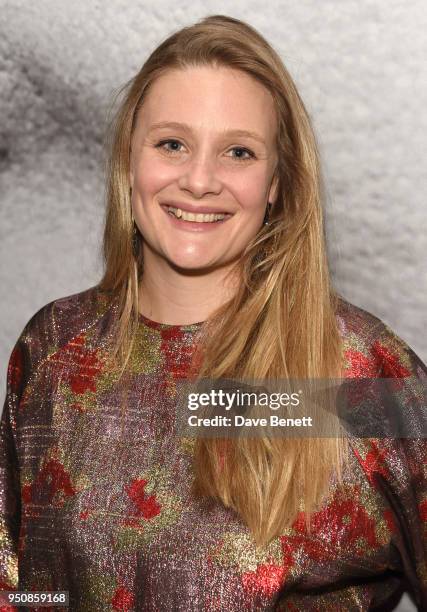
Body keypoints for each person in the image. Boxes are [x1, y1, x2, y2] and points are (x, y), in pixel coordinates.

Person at [1, 14, 426, 612]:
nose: (199, 180)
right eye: (172, 143)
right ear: (129, 160)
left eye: (238, 152)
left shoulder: (356, 374)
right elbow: (28, 590)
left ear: (277, 182)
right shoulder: (53, 352)